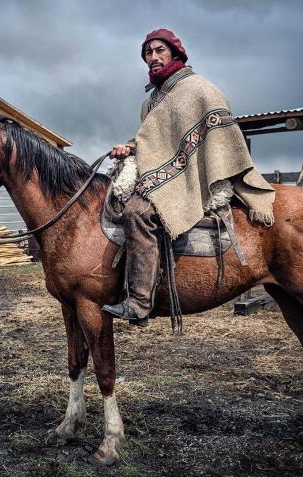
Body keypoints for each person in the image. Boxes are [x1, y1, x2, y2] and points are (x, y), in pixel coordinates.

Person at [102, 28, 276, 326]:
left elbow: (221, 131)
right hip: (163, 173)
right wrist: (127, 148)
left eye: (160, 50)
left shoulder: (197, 88)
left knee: (137, 212)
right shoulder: (151, 100)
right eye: (148, 53)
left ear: (174, 53)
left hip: (189, 175)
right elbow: (150, 143)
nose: (153, 57)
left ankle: (140, 303)